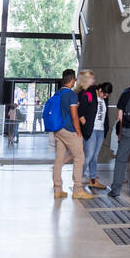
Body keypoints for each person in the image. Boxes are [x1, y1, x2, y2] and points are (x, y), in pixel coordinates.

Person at [49, 70, 93, 201]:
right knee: (79, 157)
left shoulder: (58, 93)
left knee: (59, 159)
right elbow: (74, 116)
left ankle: (58, 189)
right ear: (73, 80)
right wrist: (78, 132)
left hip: (58, 130)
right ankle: (78, 189)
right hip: (69, 130)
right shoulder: (71, 95)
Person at [77, 71, 106, 191]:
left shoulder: (95, 93)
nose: (93, 80)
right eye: (91, 78)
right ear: (85, 79)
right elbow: (79, 112)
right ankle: (77, 181)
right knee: (88, 156)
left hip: (100, 129)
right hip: (91, 130)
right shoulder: (84, 94)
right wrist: (86, 126)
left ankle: (93, 180)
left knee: (94, 156)